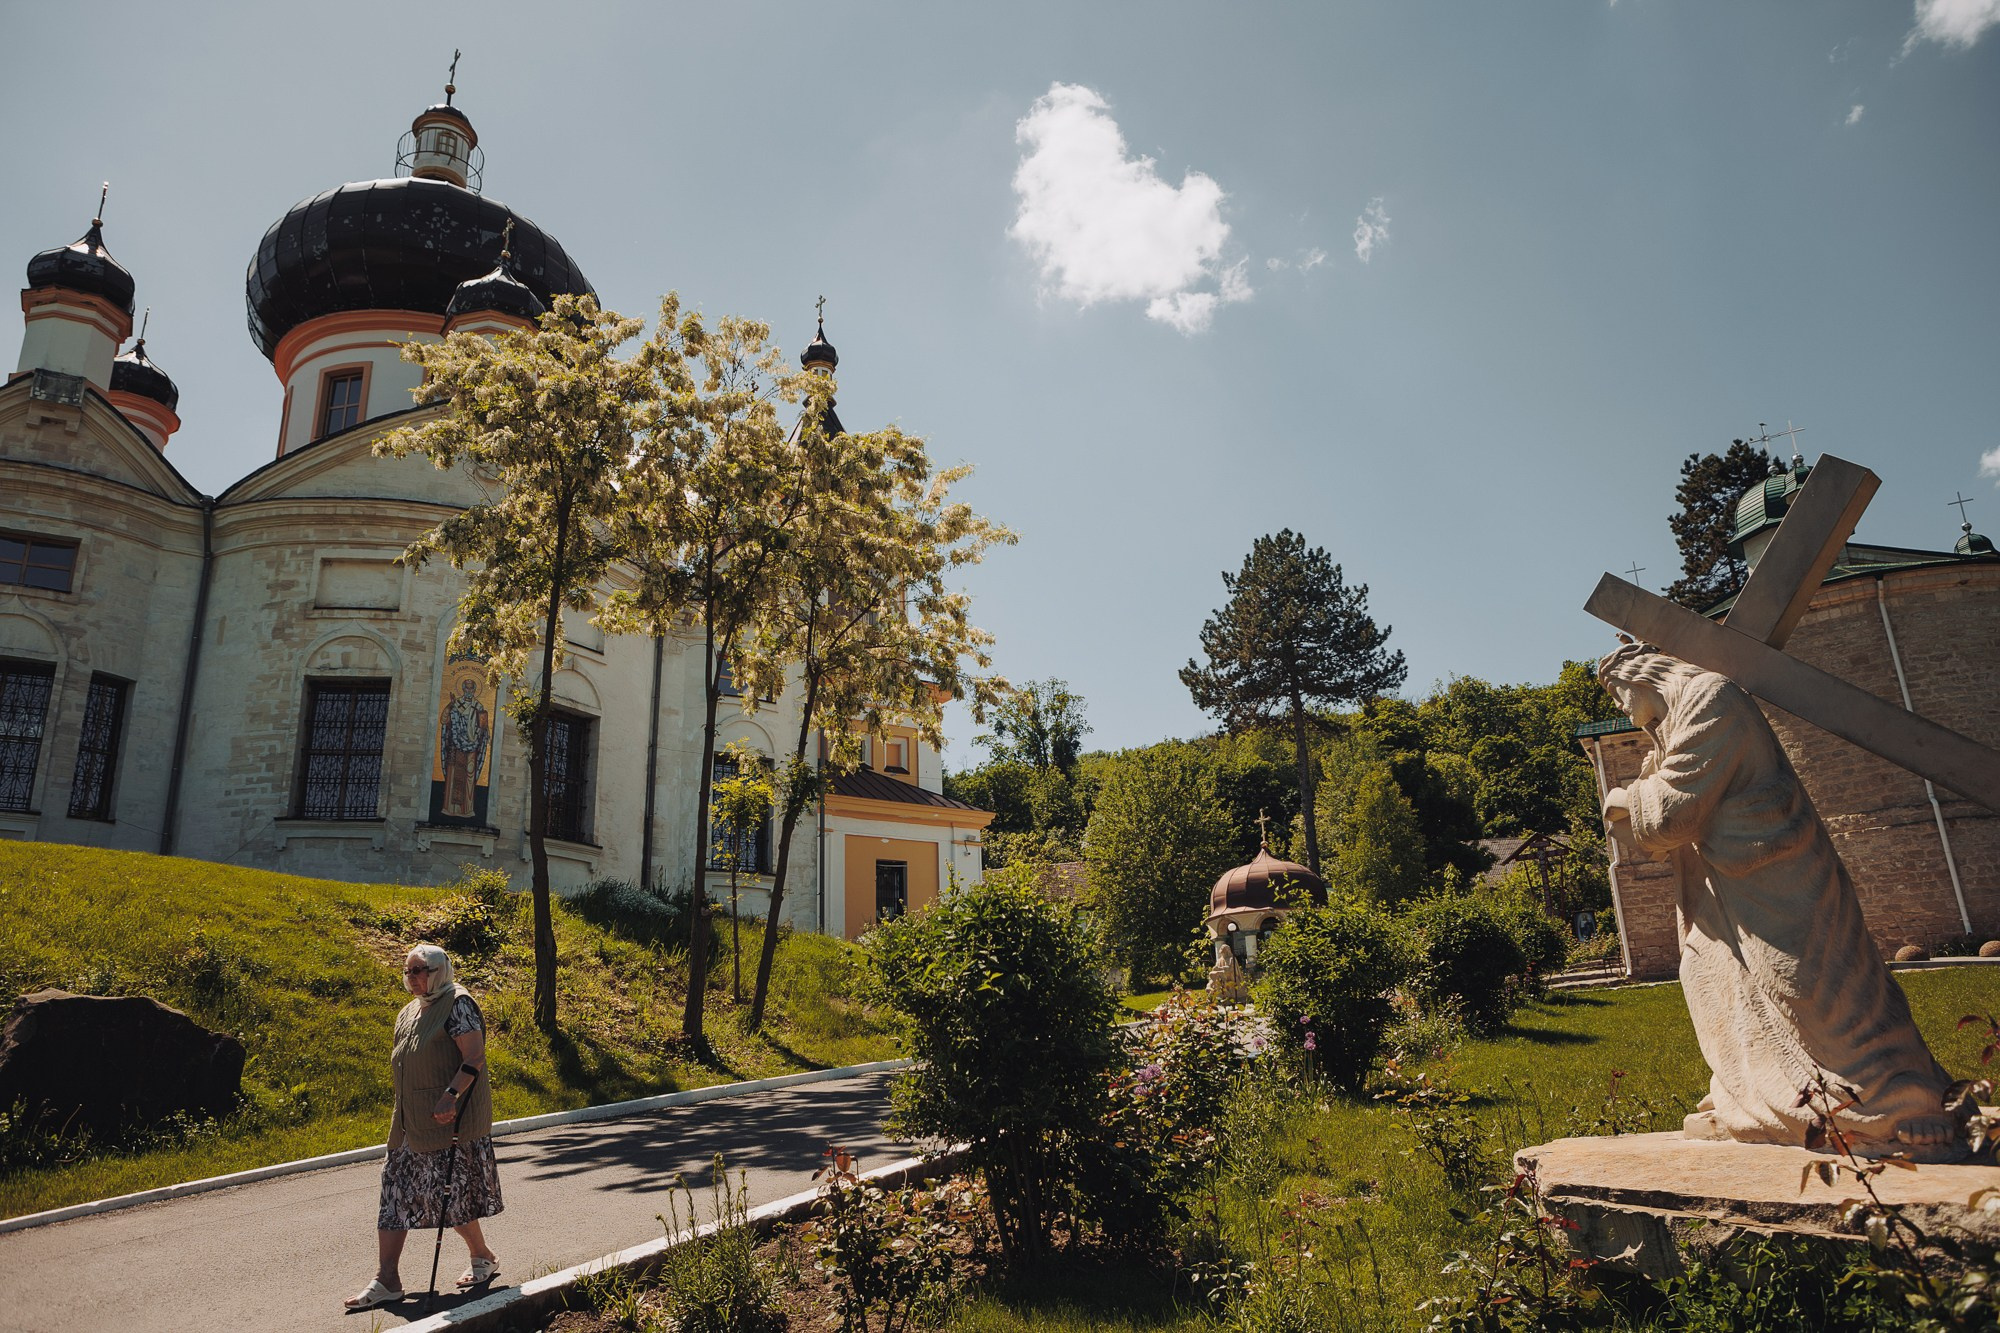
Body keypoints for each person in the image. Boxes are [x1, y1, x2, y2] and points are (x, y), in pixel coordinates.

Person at [1596, 641, 1958, 1159]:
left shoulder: (1710, 697)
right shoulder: (1677, 723)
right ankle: (1752, 1094)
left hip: (1777, 872)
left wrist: (1623, 799)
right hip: (1727, 889)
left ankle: (1905, 1098)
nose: (1623, 711)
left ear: (1642, 677)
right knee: (1711, 980)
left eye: (1620, 696)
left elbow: (1675, 810)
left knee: (1816, 986)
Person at [345, 944, 503, 1310]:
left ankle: (482, 1256)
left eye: (419, 970)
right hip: (409, 1123)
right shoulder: (408, 1013)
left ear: (439, 971)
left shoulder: (458, 1003)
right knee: (394, 1192)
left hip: (450, 1122)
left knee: (450, 1199)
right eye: (408, 971)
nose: (411, 977)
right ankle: (388, 1279)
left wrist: (450, 1095)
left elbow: (474, 1056)